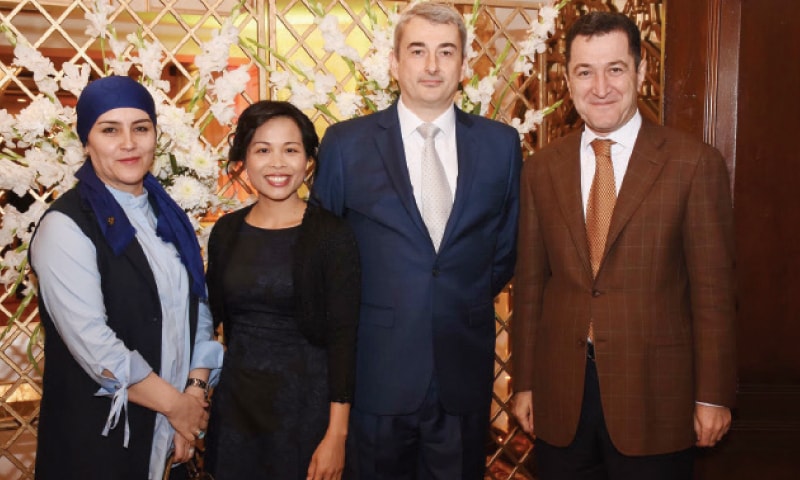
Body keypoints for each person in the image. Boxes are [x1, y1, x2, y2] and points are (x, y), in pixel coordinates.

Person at [511, 11, 737, 480]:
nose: (600, 87)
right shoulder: (540, 169)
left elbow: (713, 294)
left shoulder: (693, 164)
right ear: (567, 79)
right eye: (584, 71)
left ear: (640, 71)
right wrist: (526, 384)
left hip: (655, 397)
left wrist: (712, 395)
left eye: (615, 69)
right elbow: (531, 287)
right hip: (561, 395)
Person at [313, 2, 521, 478]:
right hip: (375, 378)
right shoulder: (345, 144)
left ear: (465, 66)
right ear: (394, 63)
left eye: (446, 52)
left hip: (461, 375)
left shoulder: (500, 145)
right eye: (418, 51)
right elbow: (324, 257)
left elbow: (505, 248)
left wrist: (453, 297)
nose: (432, 66)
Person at [29, 75, 223, 480]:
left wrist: (194, 393)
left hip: (172, 437)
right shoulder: (65, 227)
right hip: (100, 446)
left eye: (140, 128)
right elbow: (96, 348)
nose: (128, 143)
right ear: (86, 141)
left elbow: (198, 309)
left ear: (155, 135)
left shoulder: (167, 214)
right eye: (109, 130)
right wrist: (178, 407)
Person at [203, 100, 360, 480]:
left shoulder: (331, 234)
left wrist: (336, 434)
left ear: (307, 161)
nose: (277, 163)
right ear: (244, 158)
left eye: (290, 150)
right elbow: (214, 323)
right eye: (263, 150)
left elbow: (344, 340)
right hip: (237, 410)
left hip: (306, 411)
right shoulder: (226, 232)